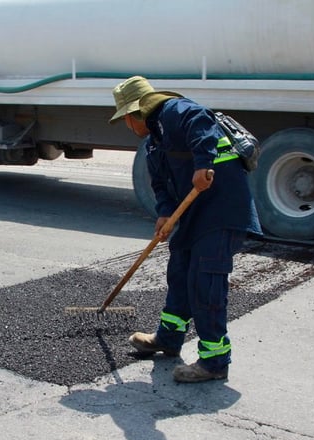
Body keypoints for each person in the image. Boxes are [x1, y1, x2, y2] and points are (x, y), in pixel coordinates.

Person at [110, 76, 262, 383]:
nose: (128, 126)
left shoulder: (175, 111)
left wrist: (203, 164)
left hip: (221, 210)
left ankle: (214, 361)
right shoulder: (153, 145)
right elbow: (160, 186)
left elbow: (201, 121)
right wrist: (165, 214)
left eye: (126, 119)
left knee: (204, 281)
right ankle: (168, 337)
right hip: (193, 216)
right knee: (179, 270)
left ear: (135, 114)